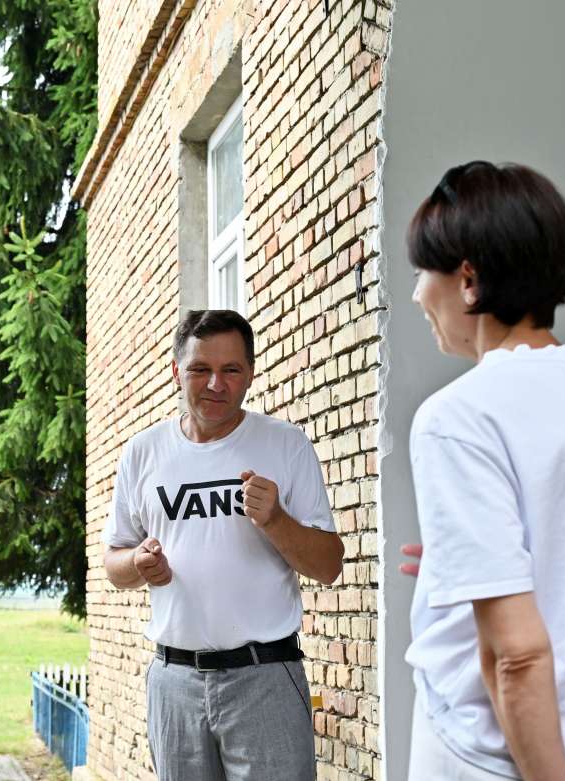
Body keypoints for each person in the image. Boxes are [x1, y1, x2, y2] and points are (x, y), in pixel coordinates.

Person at [402, 161, 565, 780]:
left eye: (422, 272)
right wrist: (472, 560)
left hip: (491, 762)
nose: (417, 295)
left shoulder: (458, 416)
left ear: (469, 280)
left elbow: (515, 656)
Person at [103, 309, 344, 781]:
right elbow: (114, 563)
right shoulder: (142, 452)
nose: (216, 384)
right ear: (176, 372)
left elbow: (329, 566)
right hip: (174, 683)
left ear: (250, 373)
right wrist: (137, 562)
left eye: (231, 369)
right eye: (200, 369)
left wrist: (276, 520)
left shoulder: (286, 445)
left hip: (265, 678)